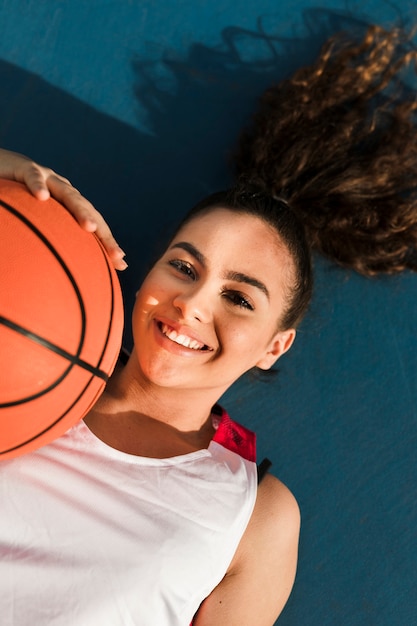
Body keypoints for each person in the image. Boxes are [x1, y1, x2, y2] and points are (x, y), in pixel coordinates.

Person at [1, 22, 417, 626]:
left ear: (276, 347)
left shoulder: (255, 516)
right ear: (146, 276)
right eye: (183, 266)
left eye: (240, 298)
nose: (193, 303)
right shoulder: (17, 362)